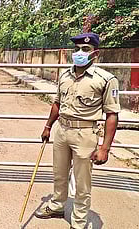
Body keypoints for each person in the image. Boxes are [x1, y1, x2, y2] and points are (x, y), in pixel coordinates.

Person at [35, 33, 120, 229]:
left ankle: (79, 221)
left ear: (95, 53)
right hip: (62, 131)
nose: (79, 53)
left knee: (82, 182)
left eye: (86, 49)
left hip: (85, 134)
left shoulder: (107, 79)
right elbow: (57, 103)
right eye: (77, 49)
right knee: (59, 173)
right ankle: (57, 205)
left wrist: (104, 148)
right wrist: (48, 126)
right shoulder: (65, 75)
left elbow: (112, 115)